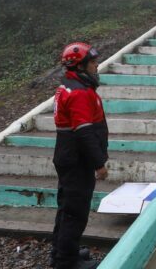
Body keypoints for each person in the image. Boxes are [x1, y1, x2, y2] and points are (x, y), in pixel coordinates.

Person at [50, 42, 109, 269]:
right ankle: (66, 262)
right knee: (75, 212)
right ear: (81, 66)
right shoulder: (79, 93)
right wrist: (99, 164)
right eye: (93, 63)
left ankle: (62, 252)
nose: (97, 67)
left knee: (67, 207)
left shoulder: (70, 86)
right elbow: (84, 132)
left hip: (68, 155)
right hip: (77, 159)